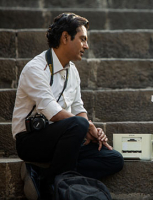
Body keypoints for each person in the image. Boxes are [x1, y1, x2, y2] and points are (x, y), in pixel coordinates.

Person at [12, 13, 124, 200]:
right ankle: (57, 183)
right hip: (31, 141)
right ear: (65, 38)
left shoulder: (73, 71)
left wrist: (93, 131)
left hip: (63, 141)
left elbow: (78, 108)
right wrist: (85, 126)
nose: (86, 46)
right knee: (79, 124)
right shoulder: (35, 68)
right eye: (82, 39)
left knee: (114, 159)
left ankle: (44, 176)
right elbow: (53, 112)